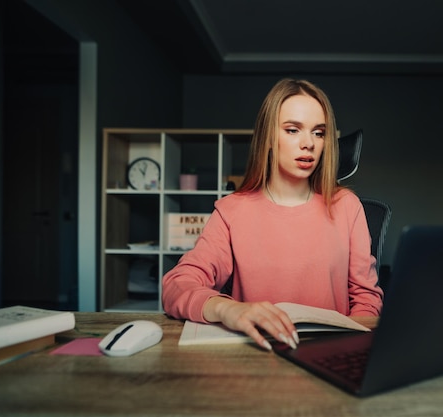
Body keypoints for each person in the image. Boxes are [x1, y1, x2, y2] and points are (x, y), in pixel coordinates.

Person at [162, 78, 383, 351]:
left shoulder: (346, 206)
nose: (308, 144)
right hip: (257, 355)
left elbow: (366, 298)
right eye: (292, 130)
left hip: (327, 355)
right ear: (268, 137)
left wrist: (346, 350)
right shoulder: (232, 210)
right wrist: (227, 309)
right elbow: (177, 285)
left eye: (318, 132)